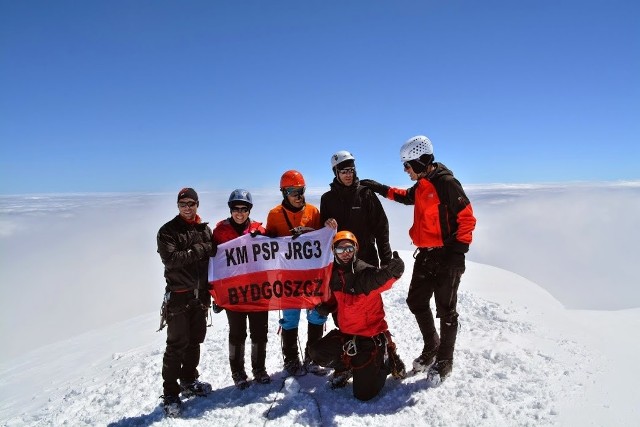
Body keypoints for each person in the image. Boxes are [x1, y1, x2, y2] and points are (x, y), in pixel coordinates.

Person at [360, 135, 476, 384]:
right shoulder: (424, 183)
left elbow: (467, 218)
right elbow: (406, 196)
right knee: (416, 301)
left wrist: (458, 255)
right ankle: (432, 345)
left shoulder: (446, 183)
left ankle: (445, 360)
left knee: (446, 310)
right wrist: (380, 188)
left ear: (422, 161)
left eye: (408, 165)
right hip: (426, 254)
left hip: (447, 256)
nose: (405, 170)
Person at [320, 150, 406, 378]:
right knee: (342, 310)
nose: (348, 175)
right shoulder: (327, 199)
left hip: (364, 262)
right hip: (339, 262)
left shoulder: (365, 194)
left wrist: (386, 260)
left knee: (369, 309)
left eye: (351, 170)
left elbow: (381, 226)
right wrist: (325, 225)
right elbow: (322, 234)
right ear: (335, 172)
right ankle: (349, 355)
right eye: (343, 171)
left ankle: (385, 348)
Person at [309, 231, 405, 401]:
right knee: (317, 352)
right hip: (347, 336)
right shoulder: (334, 275)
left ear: (355, 250)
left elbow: (382, 278)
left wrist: (394, 272)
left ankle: (388, 360)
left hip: (369, 338)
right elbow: (335, 299)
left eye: (349, 249)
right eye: (340, 249)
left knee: (363, 394)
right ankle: (347, 367)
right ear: (333, 251)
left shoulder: (365, 274)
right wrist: (326, 307)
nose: (345, 253)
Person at [265, 170, 335, 376]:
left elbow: (322, 241)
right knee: (290, 319)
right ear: (284, 192)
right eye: (293, 191)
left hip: (312, 277)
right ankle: (291, 359)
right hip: (287, 278)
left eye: (301, 190)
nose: (298, 195)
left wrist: (326, 228)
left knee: (316, 317)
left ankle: (313, 357)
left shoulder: (313, 212)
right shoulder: (274, 214)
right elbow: (269, 245)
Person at [156, 188, 216, 417]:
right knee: (176, 346)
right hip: (179, 296)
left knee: (195, 341)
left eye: (191, 203)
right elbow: (172, 260)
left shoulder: (204, 229)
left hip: (199, 295)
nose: (187, 207)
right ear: (178, 206)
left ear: (197, 204)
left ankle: (189, 380)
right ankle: (170, 394)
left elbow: (213, 261)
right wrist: (201, 249)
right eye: (183, 204)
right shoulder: (168, 231)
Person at [212, 189, 271, 389]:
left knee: (259, 332)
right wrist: (216, 294)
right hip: (234, 293)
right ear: (231, 210)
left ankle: (259, 369)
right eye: (236, 209)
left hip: (257, 292)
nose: (239, 213)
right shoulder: (219, 233)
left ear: (249, 210)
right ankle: (238, 372)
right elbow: (213, 264)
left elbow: (272, 257)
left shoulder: (259, 231)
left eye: (244, 209)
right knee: (237, 333)